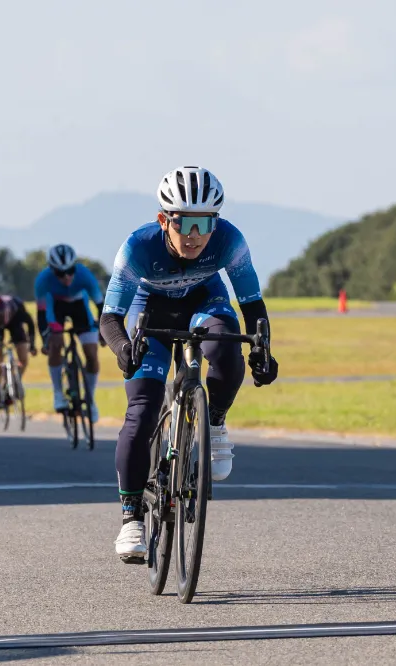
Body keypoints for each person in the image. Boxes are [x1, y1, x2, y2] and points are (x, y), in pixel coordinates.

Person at [99, 166, 279, 562]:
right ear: (164, 220)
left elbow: (252, 304)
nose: (196, 235)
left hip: (205, 301)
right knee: (142, 410)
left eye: (205, 223)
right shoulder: (137, 248)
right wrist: (123, 347)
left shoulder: (230, 240)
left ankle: (214, 422)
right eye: (185, 223)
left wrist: (262, 349)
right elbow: (110, 318)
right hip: (150, 310)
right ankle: (131, 517)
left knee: (226, 348)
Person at [34, 244, 105, 422]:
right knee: (55, 343)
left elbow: (101, 306)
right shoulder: (42, 280)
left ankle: (90, 399)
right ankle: (58, 393)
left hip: (79, 306)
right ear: (52, 270)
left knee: (91, 353)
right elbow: (41, 314)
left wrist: (104, 332)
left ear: (75, 267)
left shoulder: (85, 275)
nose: (66, 276)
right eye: (60, 273)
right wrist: (45, 338)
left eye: (70, 271)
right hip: (55, 307)